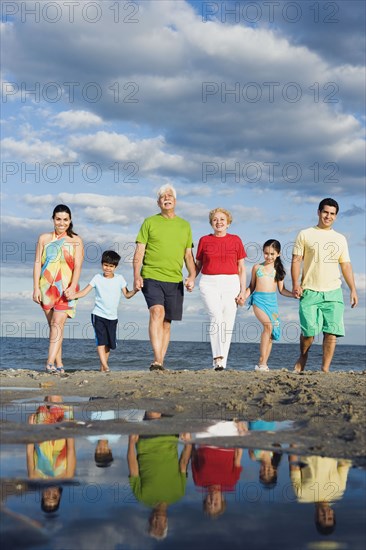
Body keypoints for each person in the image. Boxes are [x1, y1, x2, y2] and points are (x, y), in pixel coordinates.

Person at [133, 184, 196, 371]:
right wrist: (136, 275)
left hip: (175, 280)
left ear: (175, 201)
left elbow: (188, 256)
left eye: (169, 196)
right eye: (162, 196)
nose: (166, 198)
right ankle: (157, 360)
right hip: (151, 275)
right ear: (158, 202)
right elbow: (139, 251)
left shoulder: (185, 225)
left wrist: (192, 275)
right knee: (157, 312)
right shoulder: (149, 222)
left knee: (167, 322)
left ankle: (160, 360)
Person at [291, 198, 358, 373]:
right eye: (325, 212)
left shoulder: (340, 239)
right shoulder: (305, 234)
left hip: (333, 291)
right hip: (309, 291)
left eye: (332, 214)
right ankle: (303, 355)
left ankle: (325, 369)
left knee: (331, 333)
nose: (328, 216)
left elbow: (346, 265)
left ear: (336, 216)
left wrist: (353, 289)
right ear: (318, 212)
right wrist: (295, 284)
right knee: (309, 333)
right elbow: (296, 260)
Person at [66, 250, 137, 372]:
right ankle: (106, 366)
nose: (107, 268)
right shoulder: (97, 278)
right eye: (105, 265)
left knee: (109, 344)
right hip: (98, 314)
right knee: (101, 341)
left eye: (111, 266)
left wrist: (136, 290)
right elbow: (84, 291)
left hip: (113, 317)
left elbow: (127, 295)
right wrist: (73, 295)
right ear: (101, 264)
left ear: (115, 267)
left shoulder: (120, 279)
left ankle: (102, 367)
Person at [33, 204, 84, 374]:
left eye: (65, 219)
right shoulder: (44, 239)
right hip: (47, 287)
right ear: (53, 219)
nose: (62, 223)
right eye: (58, 219)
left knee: (57, 323)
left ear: (70, 221)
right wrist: (35, 288)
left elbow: (77, 267)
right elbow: (36, 264)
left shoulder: (76, 241)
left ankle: (49, 363)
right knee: (55, 327)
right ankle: (59, 364)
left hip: (67, 289)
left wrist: (72, 287)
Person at [195, 208, 246, 371]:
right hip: (208, 282)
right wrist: (191, 278)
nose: (219, 222)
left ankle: (221, 363)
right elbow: (199, 265)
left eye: (222, 219)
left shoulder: (236, 240)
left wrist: (243, 291)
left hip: (231, 282)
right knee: (215, 316)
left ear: (228, 223)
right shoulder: (204, 240)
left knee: (227, 323)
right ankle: (217, 356)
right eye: (215, 219)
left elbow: (241, 268)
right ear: (211, 223)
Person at [245, 240, 294, 371]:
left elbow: (282, 290)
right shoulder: (257, 267)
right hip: (258, 301)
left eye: (272, 254)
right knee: (268, 326)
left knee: (271, 333)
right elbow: (251, 286)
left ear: (278, 254)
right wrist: (243, 296)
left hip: (272, 304)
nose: (269, 256)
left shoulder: (279, 270)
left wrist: (294, 295)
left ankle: (263, 364)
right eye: (266, 253)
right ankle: (261, 360)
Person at [26, 396, 76, 513]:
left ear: (42, 495)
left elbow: (29, 453)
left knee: (48, 399)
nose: (50, 494)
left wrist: (30, 429)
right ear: (59, 495)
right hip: (62, 428)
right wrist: (68, 427)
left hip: (40, 430)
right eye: (54, 497)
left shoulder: (33, 477)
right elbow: (71, 450)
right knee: (56, 398)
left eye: (47, 497)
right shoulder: (67, 476)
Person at [288, 450, 351, 535]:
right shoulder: (339, 490)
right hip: (330, 446)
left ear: (316, 518)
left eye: (323, 517)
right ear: (333, 514)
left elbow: (294, 466)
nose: (326, 513)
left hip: (308, 445)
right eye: (329, 517)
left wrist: (293, 444)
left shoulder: (302, 495)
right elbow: (344, 463)